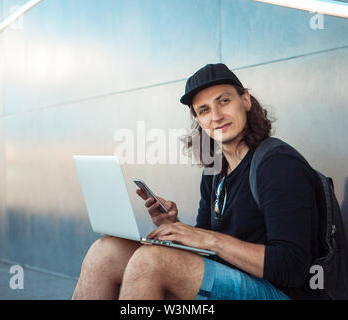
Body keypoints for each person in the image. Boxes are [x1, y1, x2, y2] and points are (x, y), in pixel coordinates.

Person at [72, 63, 320, 300]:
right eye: (204, 110)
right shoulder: (215, 171)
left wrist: (207, 239)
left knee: (152, 260)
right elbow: (206, 252)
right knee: (106, 251)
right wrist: (175, 227)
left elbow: (292, 266)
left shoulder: (277, 163)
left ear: (245, 101)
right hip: (228, 279)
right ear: (199, 121)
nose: (216, 115)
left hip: (278, 292)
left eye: (224, 101)